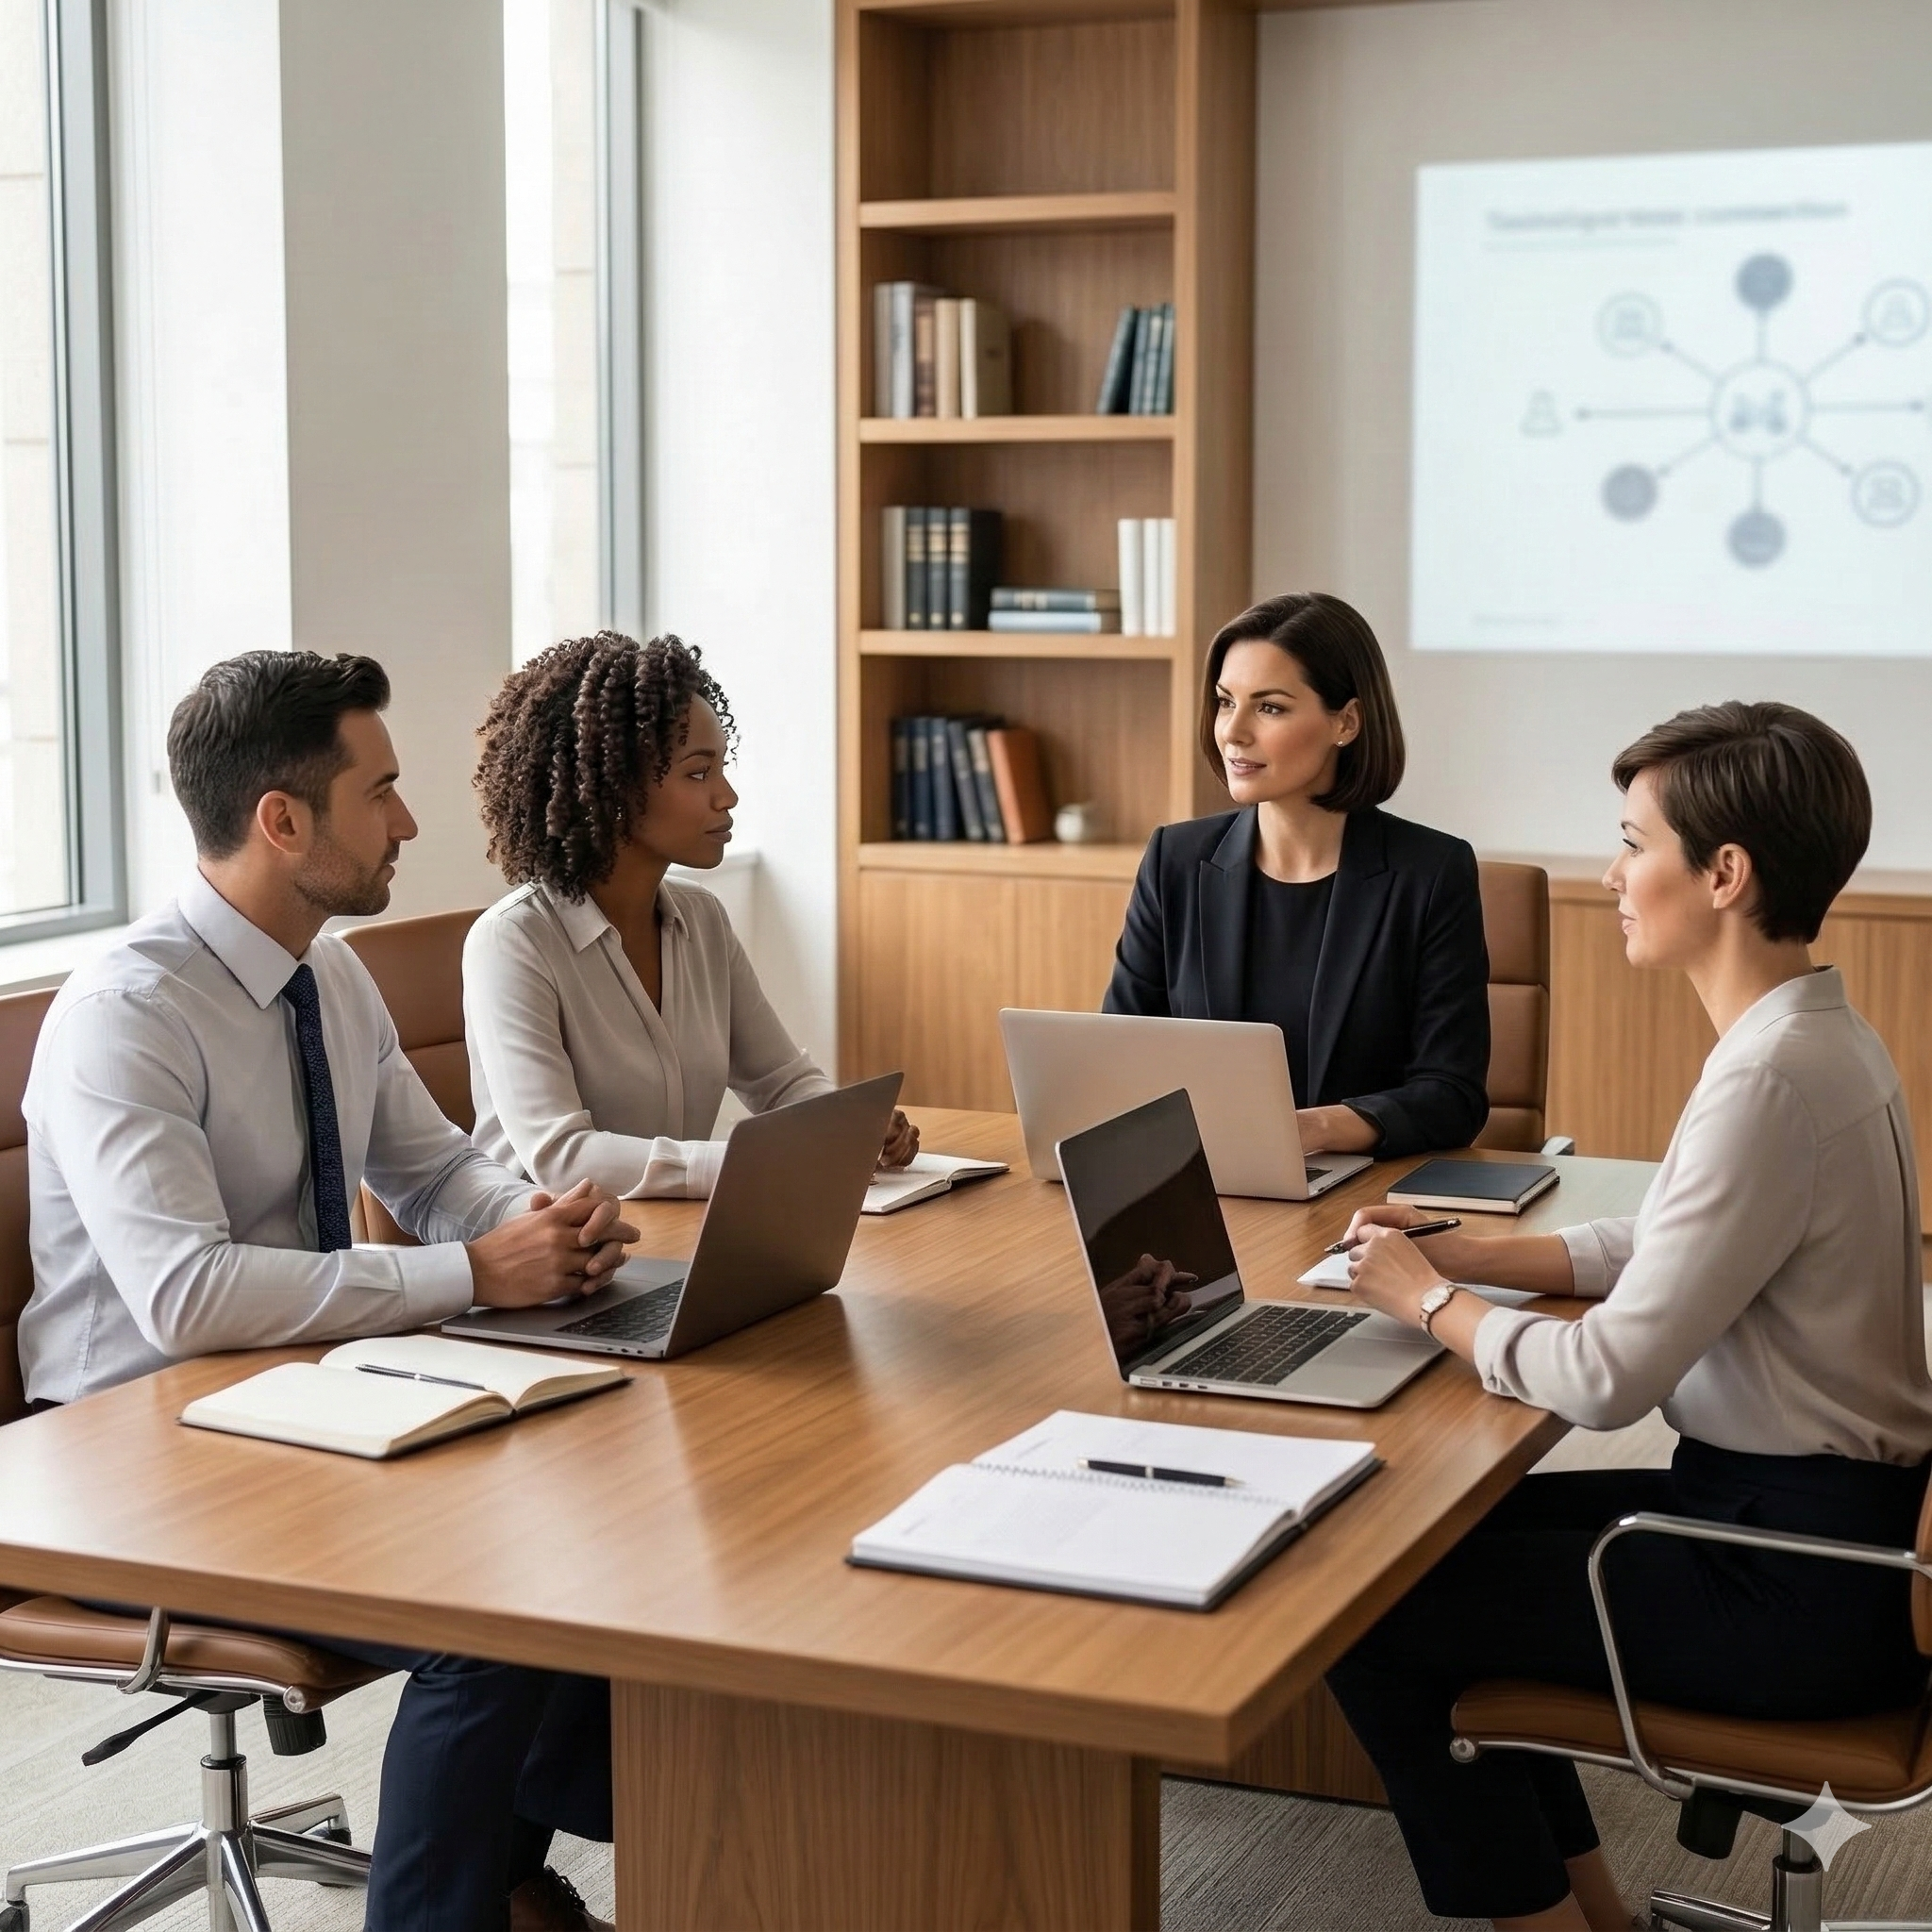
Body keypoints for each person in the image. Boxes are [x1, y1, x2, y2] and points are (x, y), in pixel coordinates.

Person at [21, 650, 632, 1932]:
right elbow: (185, 1299)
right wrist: (470, 1274)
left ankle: (519, 1866)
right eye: (381, 790)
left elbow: (436, 1169)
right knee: (484, 1622)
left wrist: (532, 1223)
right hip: (135, 1463)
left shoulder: (325, 972)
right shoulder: (128, 1014)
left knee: (596, 1523)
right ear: (282, 820)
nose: (408, 821)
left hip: (301, 1409)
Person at [1327, 701, 1932, 1932]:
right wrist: (1477, 1251)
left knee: (1365, 1614)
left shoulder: (1767, 1077)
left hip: (1792, 1583)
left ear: (1724, 873)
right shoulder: (1813, 1034)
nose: (1610, 874)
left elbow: (1604, 1380)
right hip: (1813, 1529)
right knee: (1417, 1544)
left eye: (1631, 842)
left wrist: (1428, 1299)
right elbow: (1668, 1237)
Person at [464, 629, 916, 1198]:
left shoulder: (702, 920)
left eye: (721, 768)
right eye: (699, 773)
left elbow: (781, 1083)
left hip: (678, 1229)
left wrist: (848, 1124)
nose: (727, 796)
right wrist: (763, 1161)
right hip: (553, 1240)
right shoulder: (513, 941)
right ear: (612, 790)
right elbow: (563, 1157)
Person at [1104, 591, 1490, 1158]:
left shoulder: (1431, 873)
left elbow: (1452, 1095)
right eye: (1225, 702)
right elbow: (1118, 1053)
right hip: (1203, 1176)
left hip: (1359, 1188)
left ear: (1346, 722)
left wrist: (1314, 1129)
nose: (1233, 732)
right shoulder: (1175, 860)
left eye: (1270, 708)